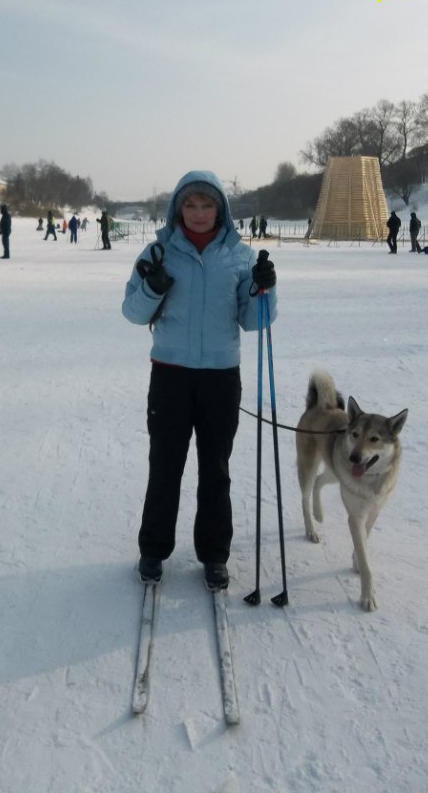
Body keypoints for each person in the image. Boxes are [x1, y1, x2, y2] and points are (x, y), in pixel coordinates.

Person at [122, 171, 278, 590]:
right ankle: (153, 548)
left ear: (221, 209)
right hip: (170, 375)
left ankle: (214, 555)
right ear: (177, 208)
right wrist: (153, 288)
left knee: (216, 470)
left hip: (220, 377)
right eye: (189, 205)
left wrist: (267, 289)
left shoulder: (240, 257)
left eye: (206, 205)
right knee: (165, 466)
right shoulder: (158, 252)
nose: (198, 213)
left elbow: (255, 320)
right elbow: (133, 313)